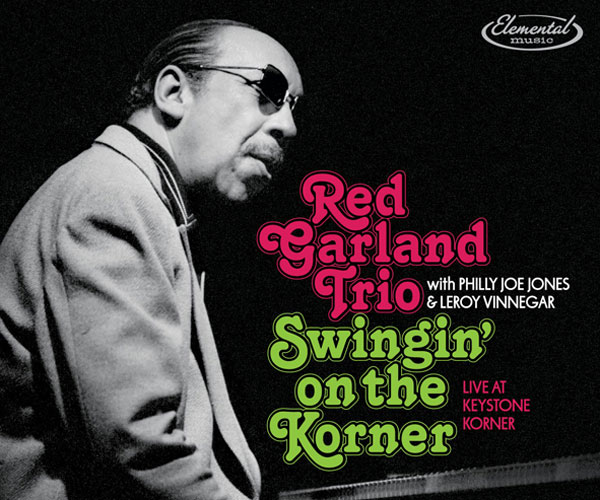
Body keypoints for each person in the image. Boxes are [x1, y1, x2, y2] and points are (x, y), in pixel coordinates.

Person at [0, 19, 302, 500]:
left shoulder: (140, 196)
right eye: (268, 90)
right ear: (173, 92)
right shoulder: (110, 198)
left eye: (292, 106)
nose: (287, 125)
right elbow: (140, 456)